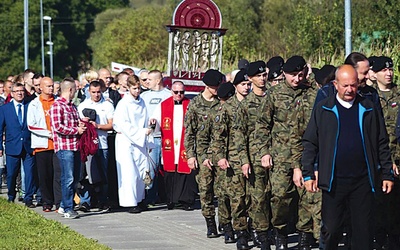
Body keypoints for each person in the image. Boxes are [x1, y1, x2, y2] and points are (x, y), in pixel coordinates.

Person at [302, 65, 394, 250]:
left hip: (363, 181)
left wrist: (387, 174)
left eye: (353, 85)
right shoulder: (324, 109)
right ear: (335, 84)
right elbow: (311, 142)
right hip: (334, 182)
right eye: (345, 85)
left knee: (363, 232)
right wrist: (308, 173)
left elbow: (381, 142)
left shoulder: (368, 108)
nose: (350, 90)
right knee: (332, 229)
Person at [257, 56, 317, 249]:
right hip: (280, 156)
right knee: (281, 197)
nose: (297, 79)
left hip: (307, 154)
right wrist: (264, 152)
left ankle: (305, 237)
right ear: (284, 73)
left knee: (308, 197)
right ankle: (281, 232)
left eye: (301, 75)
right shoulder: (274, 94)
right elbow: (262, 126)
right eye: (293, 75)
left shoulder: (313, 94)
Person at [212, 79, 254, 250]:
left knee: (254, 198)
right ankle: (241, 233)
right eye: (243, 84)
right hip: (234, 161)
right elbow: (218, 136)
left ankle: (256, 230)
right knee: (237, 199)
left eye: (248, 84)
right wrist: (220, 156)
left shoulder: (256, 103)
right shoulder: (227, 107)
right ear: (236, 86)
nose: (246, 87)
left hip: (254, 159)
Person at [184, 69, 224, 238]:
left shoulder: (222, 101)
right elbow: (189, 132)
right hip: (201, 154)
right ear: (207, 86)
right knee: (206, 189)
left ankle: (225, 222)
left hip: (220, 153)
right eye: (214, 87)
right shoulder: (195, 104)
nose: (217, 89)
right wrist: (190, 155)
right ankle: (210, 223)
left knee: (222, 189)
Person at [150, 81, 197, 211]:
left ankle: (186, 200)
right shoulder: (163, 105)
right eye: (176, 92)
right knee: (170, 172)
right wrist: (154, 123)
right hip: (170, 143)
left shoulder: (190, 105)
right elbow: (155, 122)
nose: (179, 94)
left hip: (184, 143)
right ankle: (171, 200)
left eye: (181, 92)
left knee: (185, 171)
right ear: (171, 91)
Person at [370, 56, 400, 248]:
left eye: (390, 70)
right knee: (378, 204)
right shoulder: (370, 96)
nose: (388, 73)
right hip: (378, 158)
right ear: (375, 73)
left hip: (397, 157)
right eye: (383, 70)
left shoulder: (399, 94)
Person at [113, 75, 153, 213]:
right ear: (128, 88)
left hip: (139, 140)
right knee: (129, 171)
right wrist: (141, 132)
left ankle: (139, 198)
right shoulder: (123, 104)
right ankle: (129, 202)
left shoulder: (141, 102)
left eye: (139, 88)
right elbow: (123, 124)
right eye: (134, 88)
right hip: (127, 140)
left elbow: (144, 118)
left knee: (141, 169)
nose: (137, 91)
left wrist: (149, 126)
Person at [240, 61, 269, 247]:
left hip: (275, 156)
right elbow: (239, 135)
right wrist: (244, 160)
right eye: (258, 76)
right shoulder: (245, 105)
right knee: (258, 197)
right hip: (254, 157)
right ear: (250, 79)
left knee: (274, 196)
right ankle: (261, 233)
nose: (262, 78)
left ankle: (272, 230)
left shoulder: (273, 98)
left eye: (264, 75)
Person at [50, 77, 86, 219]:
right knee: (68, 178)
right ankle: (67, 207)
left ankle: (65, 205)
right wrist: (75, 131)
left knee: (75, 177)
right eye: (75, 90)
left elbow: (76, 122)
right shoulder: (57, 105)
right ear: (70, 90)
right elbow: (57, 127)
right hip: (64, 147)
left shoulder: (72, 106)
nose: (75, 93)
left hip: (75, 146)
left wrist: (82, 126)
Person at [77, 80, 114, 212]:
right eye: (93, 92)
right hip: (87, 145)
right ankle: (85, 201)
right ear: (89, 92)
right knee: (86, 174)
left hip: (102, 144)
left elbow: (111, 125)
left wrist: (97, 126)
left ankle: (102, 200)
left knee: (103, 174)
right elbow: (78, 125)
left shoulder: (108, 105)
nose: (96, 95)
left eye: (99, 92)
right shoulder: (82, 106)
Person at [27, 76, 61, 212]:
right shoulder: (34, 104)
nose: (51, 88)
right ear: (40, 87)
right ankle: (47, 201)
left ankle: (59, 201)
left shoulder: (58, 102)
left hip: (57, 145)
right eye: (48, 86)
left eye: (52, 86)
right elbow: (31, 125)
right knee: (44, 175)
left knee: (57, 175)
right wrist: (49, 133)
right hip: (42, 145)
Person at [0, 82, 36, 207]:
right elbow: (0, 129)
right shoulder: (5, 109)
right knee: (11, 174)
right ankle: (11, 195)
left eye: (21, 91)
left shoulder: (30, 105)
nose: (20, 93)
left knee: (29, 173)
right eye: (16, 91)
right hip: (12, 146)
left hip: (28, 146)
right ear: (12, 93)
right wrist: (0, 146)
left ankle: (28, 198)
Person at [141, 70, 172, 206]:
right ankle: (150, 198)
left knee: (168, 169)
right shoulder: (144, 96)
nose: (147, 82)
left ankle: (169, 197)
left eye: (149, 80)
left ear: (158, 80)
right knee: (151, 169)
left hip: (167, 138)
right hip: (151, 139)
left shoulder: (169, 95)